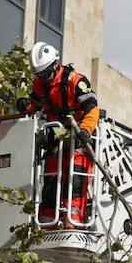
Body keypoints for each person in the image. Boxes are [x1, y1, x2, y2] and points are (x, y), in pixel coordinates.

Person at [22, 42, 100, 226]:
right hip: (55, 140)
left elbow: (92, 109)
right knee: (50, 180)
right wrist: (26, 105)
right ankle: (48, 224)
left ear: (55, 65)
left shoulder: (76, 81)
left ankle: (73, 223)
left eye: (45, 73)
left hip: (77, 139)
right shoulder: (41, 83)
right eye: (39, 75)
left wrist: (86, 129)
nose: (43, 78)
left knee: (76, 181)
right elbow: (36, 102)